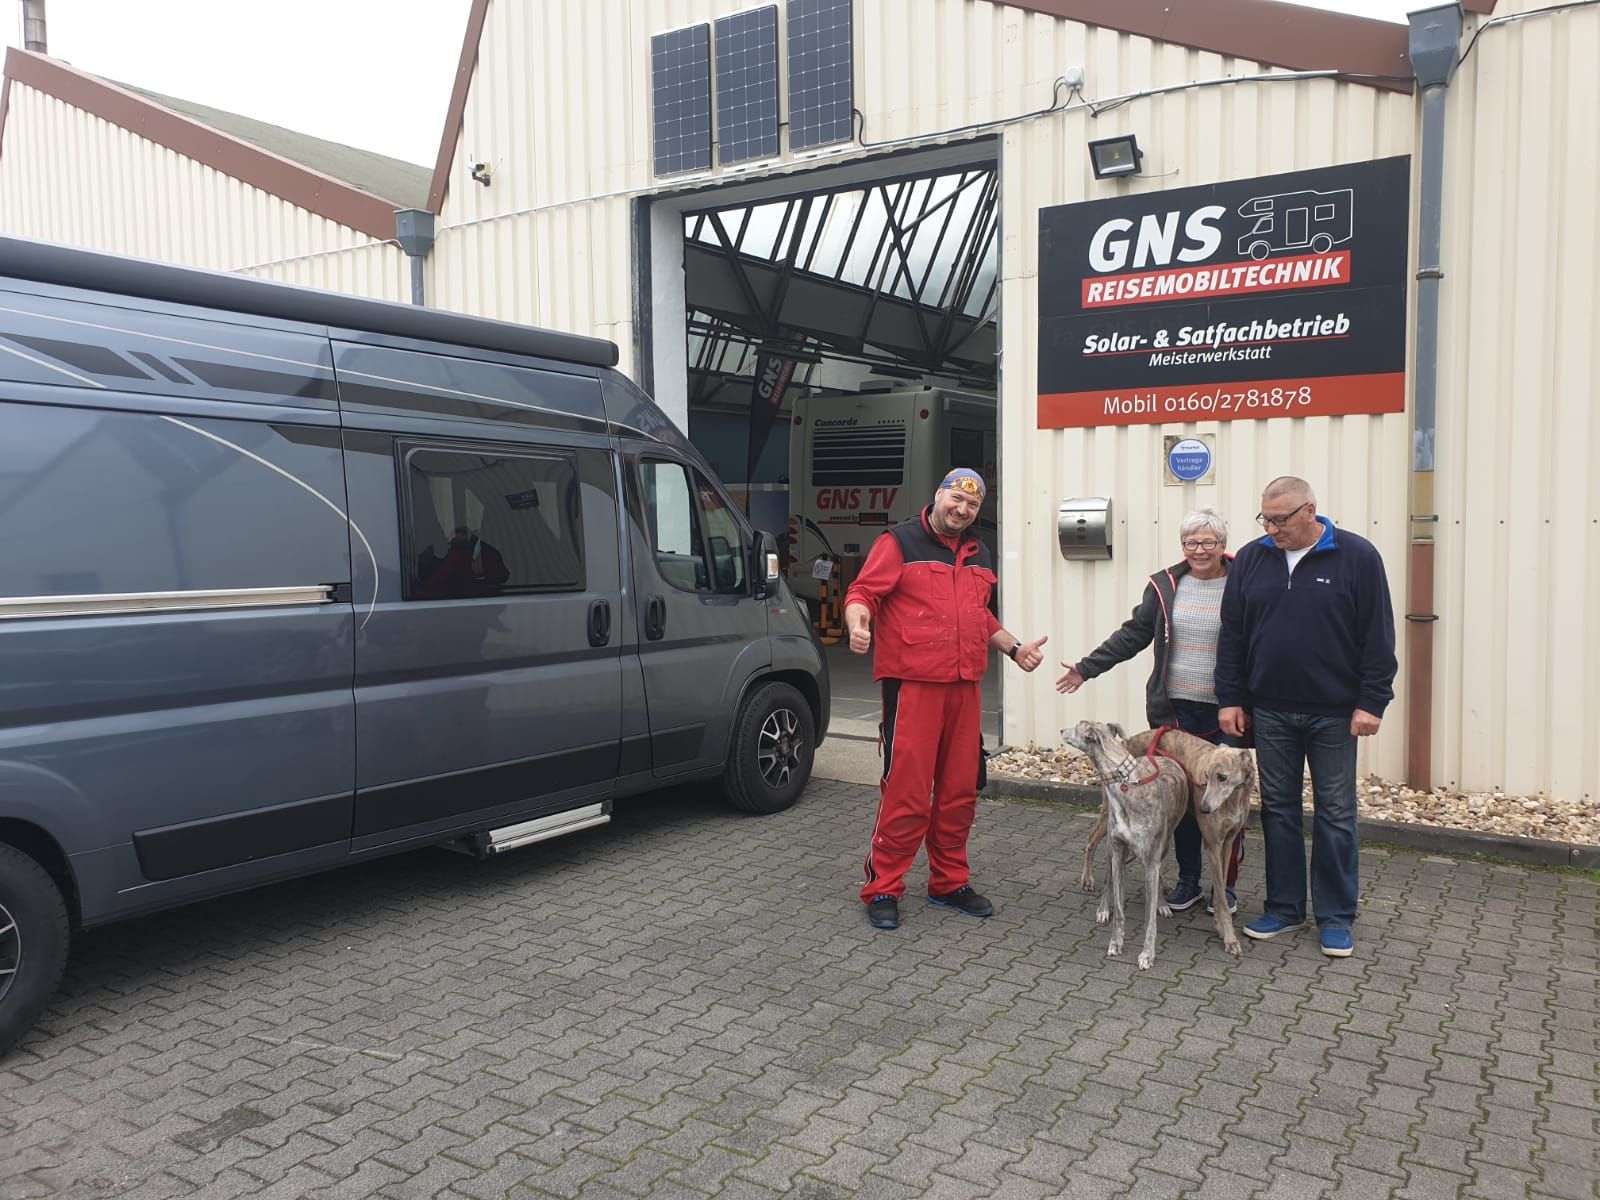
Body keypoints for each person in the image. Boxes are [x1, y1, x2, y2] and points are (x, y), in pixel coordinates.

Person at [844, 468, 1046, 931]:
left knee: (958, 792)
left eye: (972, 505)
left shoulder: (979, 551)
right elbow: (863, 593)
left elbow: (980, 616)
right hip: (912, 685)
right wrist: (858, 623)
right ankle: (883, 888)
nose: (962, 510)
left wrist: (1015, 649)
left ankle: (948, 882)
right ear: (938, 496)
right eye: (956, 499)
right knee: (906, 791)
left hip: (964, 687)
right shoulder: (899, 542)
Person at [1215, 477, 1396, 959]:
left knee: (1336, 815)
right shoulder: (1253, 559)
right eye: (1265, 519)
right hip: (1270, 711)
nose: (1272, 528)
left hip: (1335, 714)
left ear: (1310, 510)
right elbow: (1232, 633)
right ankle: (1285, 907)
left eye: (1281, 519)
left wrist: (1372, 701)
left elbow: (1378, 635)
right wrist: (1230, 698)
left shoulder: (1357, 557)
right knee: (1279, 810)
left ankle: (1336, 917)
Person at [1056, 508, 1243, 915]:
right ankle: (1190, 880)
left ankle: (1224, 887)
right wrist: (1087, 668)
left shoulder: (1245, 580)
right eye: (1190, 542)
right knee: (1182, 800)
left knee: (1222, 801)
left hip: (1226, 712)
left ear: (1223, 545)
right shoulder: (1166, 586)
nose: (1199, 550)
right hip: (1176, 715)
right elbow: (1134, 634)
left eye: (1208, 542)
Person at [417, 525, 510, 599]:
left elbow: (440, 577)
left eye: (454, 536)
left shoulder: (459, 554)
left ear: (465, 535)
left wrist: (421, 591)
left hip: (469, 599)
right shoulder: (488, 550)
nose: (450, 539)